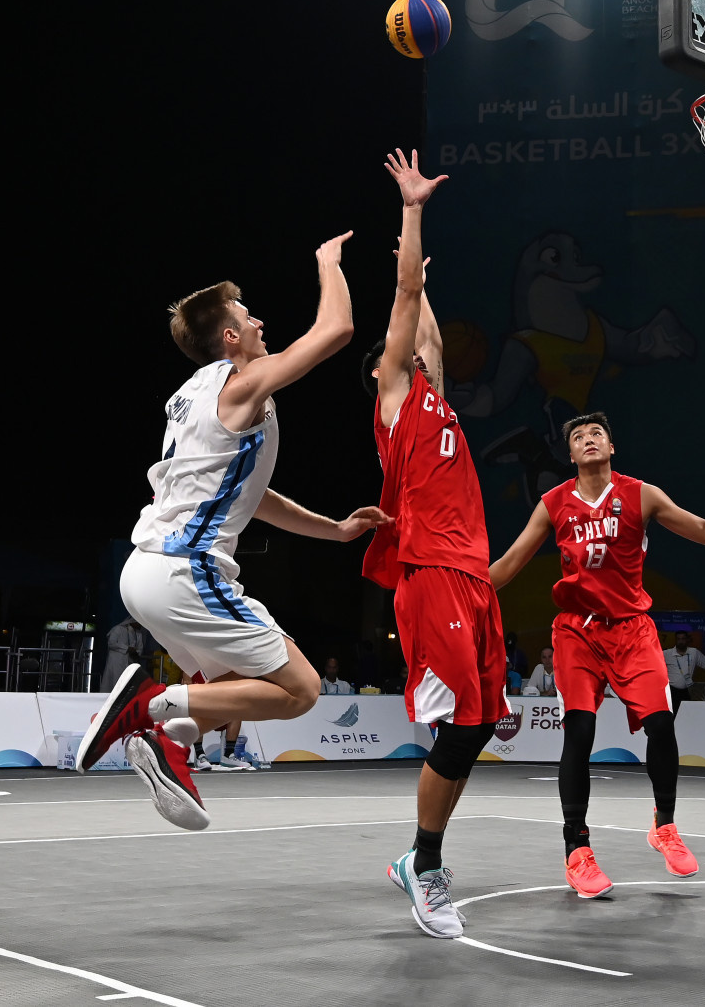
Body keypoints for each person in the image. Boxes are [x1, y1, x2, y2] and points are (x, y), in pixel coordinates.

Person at [78, 232, 390, 833]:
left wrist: (336, 531)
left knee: (234, 693)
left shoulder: (188, 396)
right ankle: (147, 706)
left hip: (145, 573)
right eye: (248, 318)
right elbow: (336, 332)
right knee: (300, 690)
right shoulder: (241, 385)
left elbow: (252, 496)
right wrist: (327, 264)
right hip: (185, 570)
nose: (259, 323)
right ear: (229, 338)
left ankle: (170, 744)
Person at [490, 409, 705, 898]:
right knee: (579, 730)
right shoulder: (552, 503)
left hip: (633, 630)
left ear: (611, 446)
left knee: (661, 724)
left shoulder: (640, 494)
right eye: (578, 436)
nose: (588, 440)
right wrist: (455, 586)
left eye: (596, 433)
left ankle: (663, 826)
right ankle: (576, 849)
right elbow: (509, 564)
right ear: (569, 453)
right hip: (578, 633)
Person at [355, 150, 507, 939]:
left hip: (472, 577)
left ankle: (419, 858)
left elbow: (428, 320)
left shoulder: (439, 402)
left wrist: (424, 284)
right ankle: (425, 862)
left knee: (478, 726)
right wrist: (412, 212)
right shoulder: (393, 398)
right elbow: (409, 300)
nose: (425, 349)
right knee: (458, 728)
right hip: (431, 574)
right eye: (414, 344)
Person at [663, 631, 705, 714]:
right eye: (678, 639)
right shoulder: (667, 653)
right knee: (671, 715)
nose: (681, 641)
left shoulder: (694, 652)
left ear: (687, 640)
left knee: (685, 714)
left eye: (683, 639)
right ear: (675, 640)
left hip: (687, 690)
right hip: (671, 691)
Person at [101, 616, 149, 690]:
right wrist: (127, 648)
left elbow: (140, 648)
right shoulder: (118, 629)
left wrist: (136, 653)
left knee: (127, 681)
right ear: (133, 622)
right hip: (116, 661)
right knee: (115, 680)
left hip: (130, 661)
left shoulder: (138, 633)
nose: (141, 626)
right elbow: (111, 643)